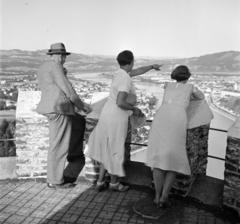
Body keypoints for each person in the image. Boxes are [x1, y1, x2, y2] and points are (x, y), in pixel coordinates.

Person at [87, 50, 162, 192]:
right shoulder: (125, 79)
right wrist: (135, 110)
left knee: (107, 149)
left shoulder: (119, 73)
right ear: (131, 61)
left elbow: (138, 71)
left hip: (106, 115)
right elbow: (120, 102)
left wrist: (151, 66)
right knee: (115, 150)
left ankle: (100, 182)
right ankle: (114, 184)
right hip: (116, 118)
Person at [145, 65, 205, 207]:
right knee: (174, 159)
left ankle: (157, 196)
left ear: (175, 75)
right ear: (188, 76)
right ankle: (164, 197)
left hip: (161, 119)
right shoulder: (191, 87)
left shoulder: (167, 85)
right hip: (177, 120)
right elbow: (201, 97)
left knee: (158, 161)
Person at [36, 42, 91, 188]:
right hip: (59, 109)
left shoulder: (44, 67)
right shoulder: (56, 67)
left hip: (49, 108)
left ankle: (53, 178)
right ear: (55, 55)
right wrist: (82, 107)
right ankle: (56, 181)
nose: (62, 58)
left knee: (55, 144)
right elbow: (69, 92)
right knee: (59, 146)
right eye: (60, 55)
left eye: (63, 55)